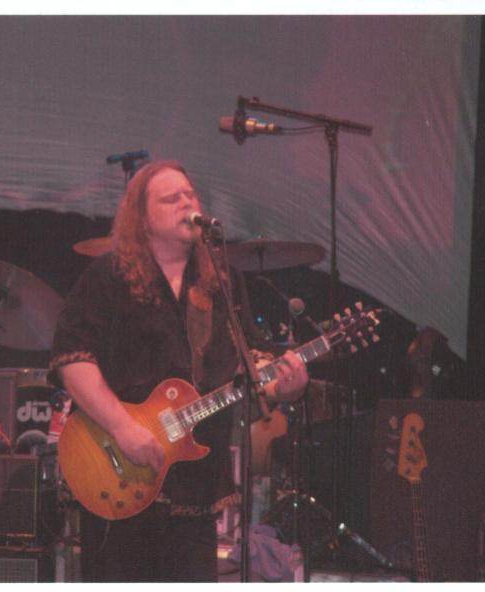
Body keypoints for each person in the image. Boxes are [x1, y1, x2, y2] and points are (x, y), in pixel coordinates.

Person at [50, 160, 309, 582]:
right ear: (142, 218)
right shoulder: (108, 276)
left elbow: (247, 368)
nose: (187, 203)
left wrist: (285, 386)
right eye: (172, 198)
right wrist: (123, 428)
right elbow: (72, 358)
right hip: (117, 473)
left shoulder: (220, 282)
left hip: (195, 484)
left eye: (191, 195)